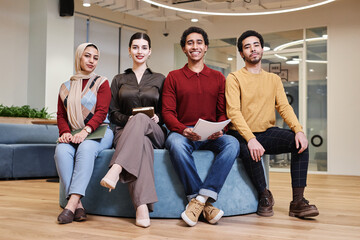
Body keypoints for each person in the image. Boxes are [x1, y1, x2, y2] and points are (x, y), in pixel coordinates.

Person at [226, 30, 319, 218]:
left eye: (256, 45)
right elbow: (233, 112)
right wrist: (251, 138)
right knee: (248, 150)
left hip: (266, 132)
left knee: (299, 144)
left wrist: (298, 130)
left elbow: (284, 107)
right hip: (242, 134)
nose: (252, 49)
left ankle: (298, 202)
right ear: (242, 53)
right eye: (247, 47)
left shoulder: (273, 79)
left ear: (261, 49)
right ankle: (264, 195)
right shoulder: (234, 78)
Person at [162, 27, 240, 227]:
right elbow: (168, 112)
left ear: (205, 47)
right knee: (175, 143)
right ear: (183, 49)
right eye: (190, 43)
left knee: (232, 143)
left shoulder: (218, 78)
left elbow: (223, 113)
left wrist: (221, 130)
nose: (194, 46)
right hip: (184, 132)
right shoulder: (173, 77)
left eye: (199, 42)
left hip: (213, 133)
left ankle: (200, 199)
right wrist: (181, 129)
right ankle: (204, 204)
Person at [99, 32, 166, 228]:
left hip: (155, 131)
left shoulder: (160, 79)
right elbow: (112, 113)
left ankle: (116, 168)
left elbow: (167, 111)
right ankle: (142, 207)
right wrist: (131, 119)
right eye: (135, 47)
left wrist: (158, 117)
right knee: (142, 143)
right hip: (126, 132)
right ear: (129, 50)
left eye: (144, 47)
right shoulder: (119, 79)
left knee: (143, 127)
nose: (139, 51)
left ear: (150, 51)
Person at [55, 43, 114, 224]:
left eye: (95, 58)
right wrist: (65, 132)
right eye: (87, 56)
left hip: (100, 130)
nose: (91, 61)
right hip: (73, 132)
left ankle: (70, 204)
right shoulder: (65, 86)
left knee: (86, 148)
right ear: (79, 57)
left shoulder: (102, 82)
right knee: (61, 151)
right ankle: (79, 205)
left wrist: (86, 131)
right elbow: (61, 115)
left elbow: (102, 112)